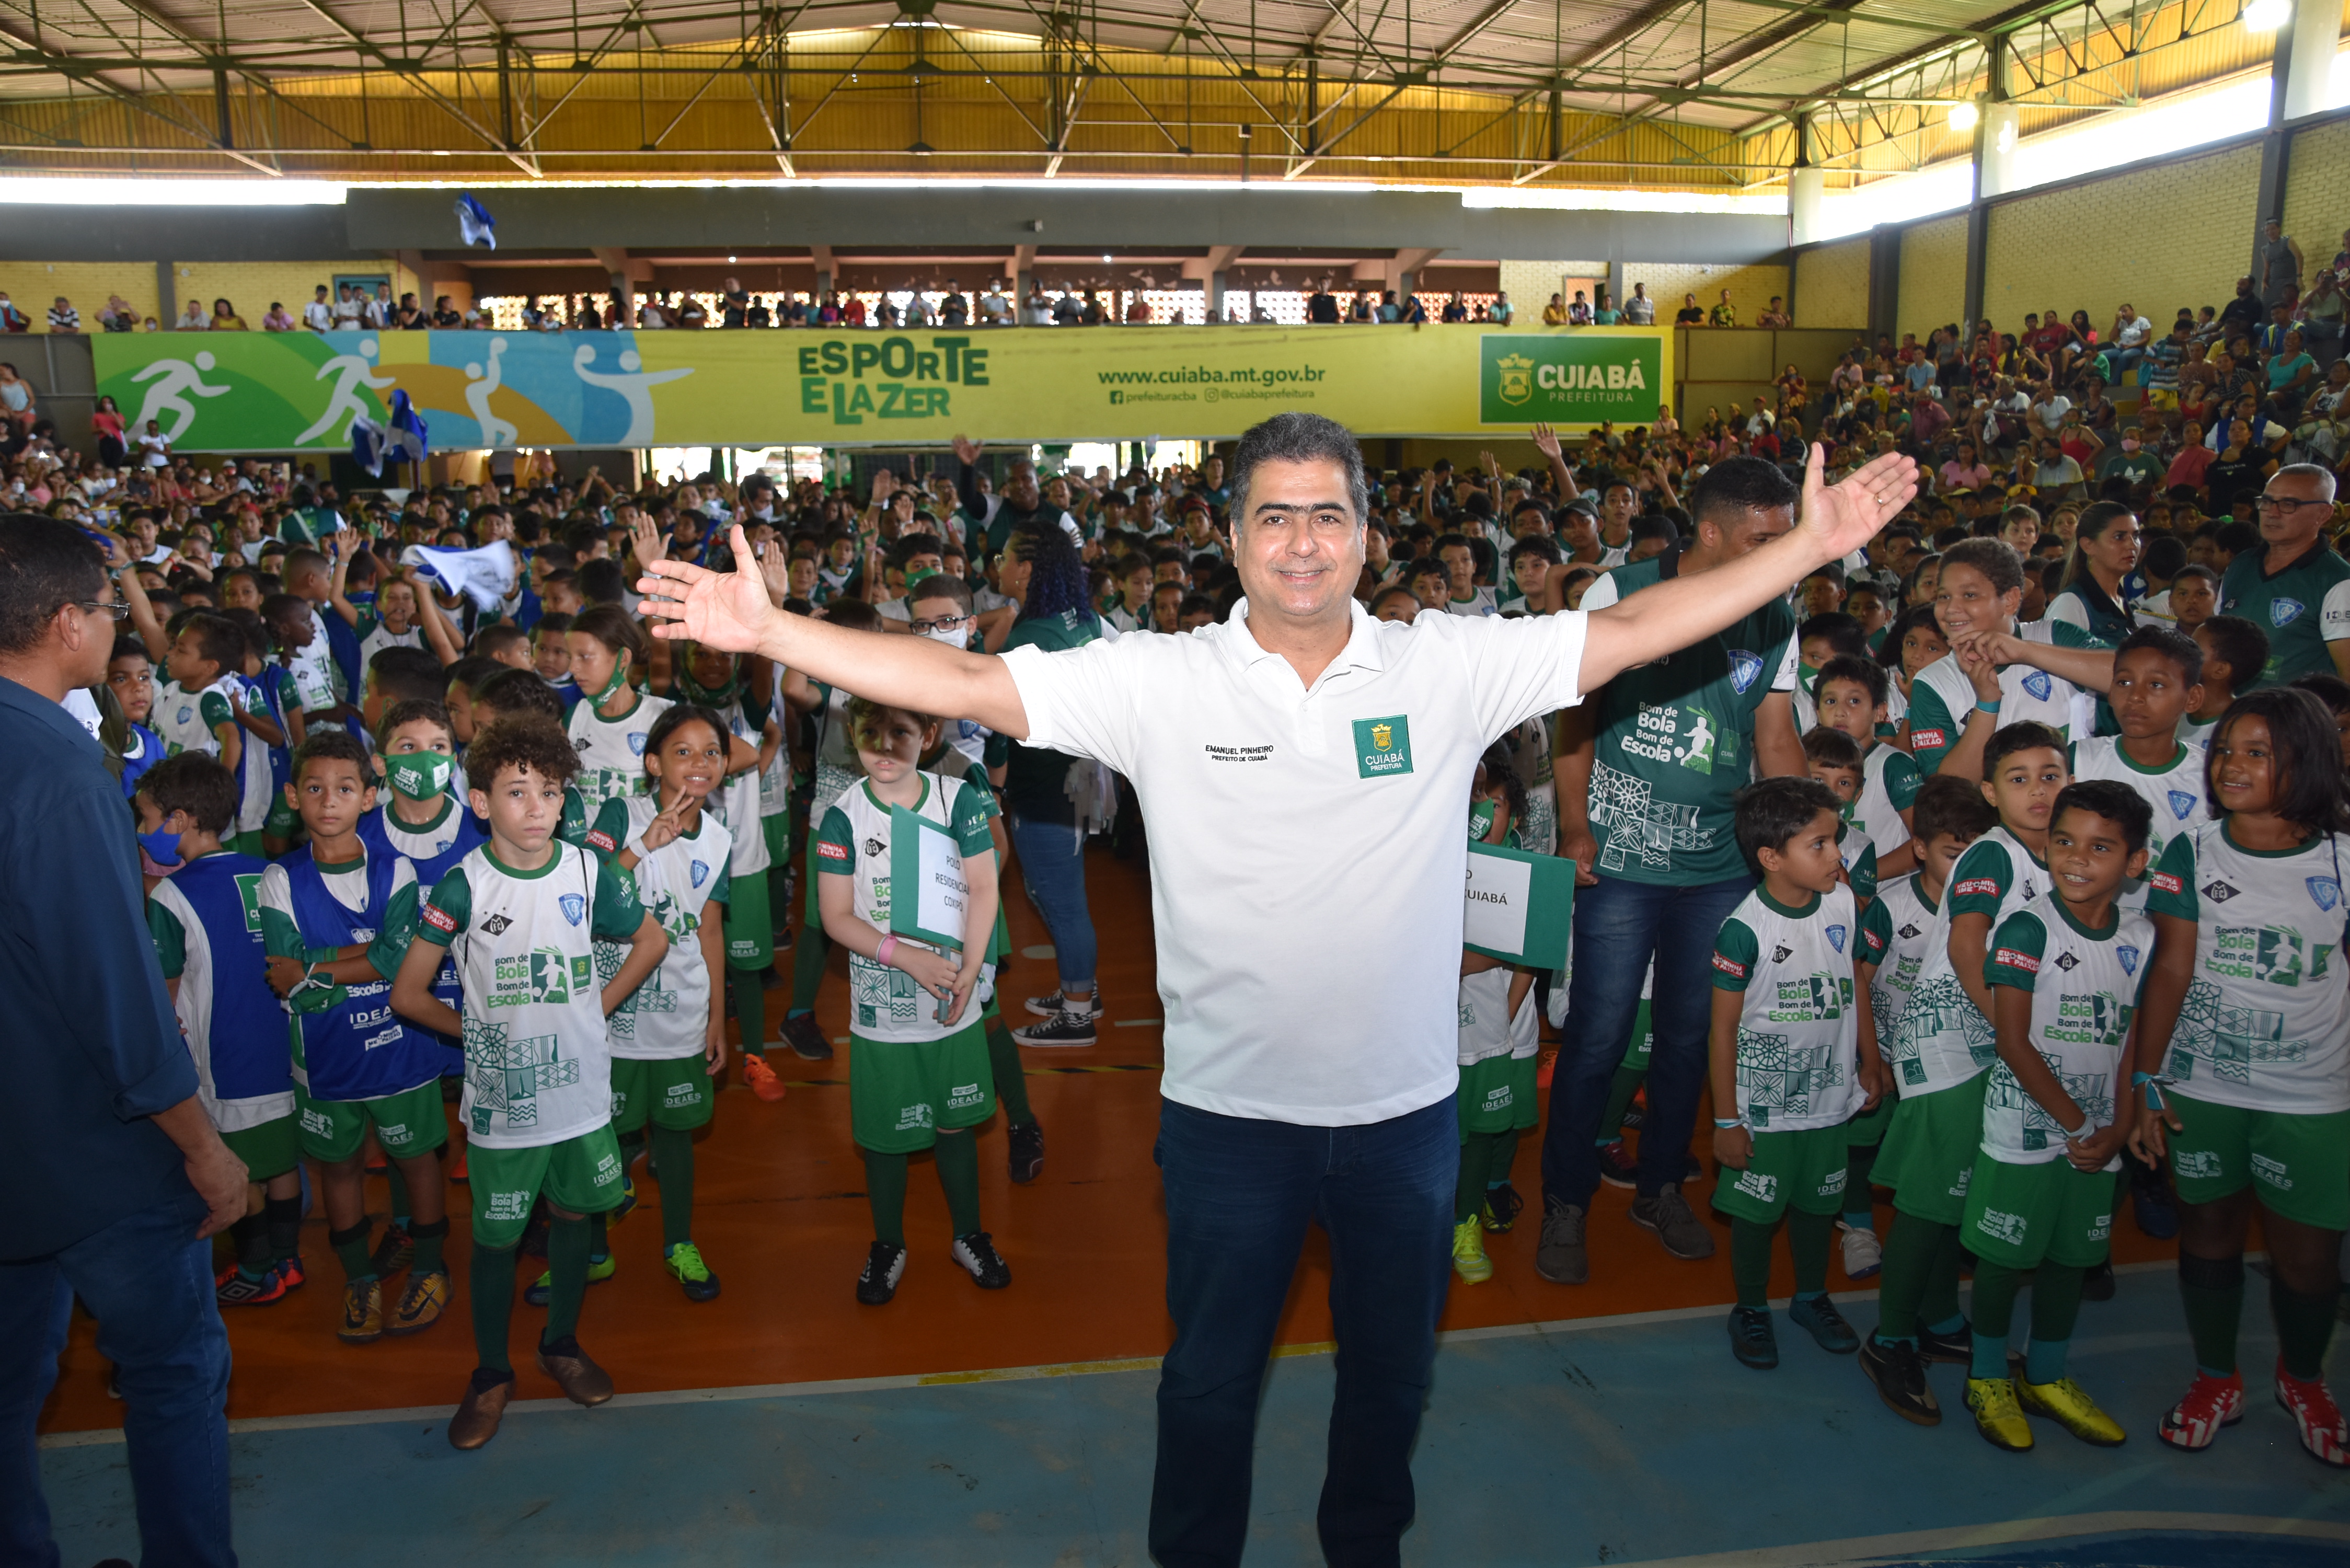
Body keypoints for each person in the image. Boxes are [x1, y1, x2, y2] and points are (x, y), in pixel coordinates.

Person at [633, 411, 1918, 1567]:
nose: (1302, 543)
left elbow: (1635, 631)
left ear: (1365, 534)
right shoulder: (1161, 680)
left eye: (1328, 515)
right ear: (1233, 535)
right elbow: (967, 682)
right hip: (1227, 1121)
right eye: (1274, 516)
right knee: (1206, 1384)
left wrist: (1807, 551)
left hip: (1403, 1120)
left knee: (1390, 1382)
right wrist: (771, 632)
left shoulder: (1441, 665)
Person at [0, 515, 245, 1568]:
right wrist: (203, 1147)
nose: (116, 627)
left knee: (11, 1390)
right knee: (173, 1371)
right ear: (67, 624)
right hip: (98, 1151)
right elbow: (114, 997)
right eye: (108, 608)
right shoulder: (64, 773)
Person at [1538, 458, 1809, 1287]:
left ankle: (1660, 1187)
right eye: (1765, 539)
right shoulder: (1618, 592)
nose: (1781, 553)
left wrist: (1808, 835)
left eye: (1788, 537)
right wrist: (1575, 827)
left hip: (1721, 867)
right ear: (1713, 532)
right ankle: (1566, 1200)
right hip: (1620, 862)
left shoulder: (1776, 615)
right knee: (1598, 1036)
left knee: (1689, 1037)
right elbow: (1575, 719)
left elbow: (1774, 739)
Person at [381, 718, 666, 1449]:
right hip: (506, 1102)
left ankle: (560, 1343)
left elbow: (651, 939)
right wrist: (474, 1034)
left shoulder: (590, 873)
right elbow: (408, 993)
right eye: (517, 791)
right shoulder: (464, 885)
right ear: (480, 803)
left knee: (574, 1217)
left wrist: (598, 1008)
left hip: (580, 1093)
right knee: (497, 1239)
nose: (538, 807)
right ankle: (490, 1374)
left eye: (551, 790)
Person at [2130, 688, 2350, 1465]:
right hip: (2204, 1087)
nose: (2230, 765)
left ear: (2306, 760)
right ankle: (2216, 1377)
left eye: (2257, 753)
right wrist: (2146, 1082)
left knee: (2308, 1258)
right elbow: (2170, 970)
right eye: (2225, 749)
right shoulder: (2191, 850)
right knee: (2209, 1233)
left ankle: (2303, 1378)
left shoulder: (2342, 858)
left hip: (2313, 1092)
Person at [1859, 721, 2068, 1426]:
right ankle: (1890, 1340)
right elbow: (1966, 947)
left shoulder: (2061, 857)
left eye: (2050, 776)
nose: (2037, 791)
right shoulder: (1991, 854)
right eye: (2019, 778)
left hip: (2002, 1043)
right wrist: (2018, 1037)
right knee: (1929, 1200)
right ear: (1991, 791)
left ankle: (1940, 1317)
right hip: (1949, 1043)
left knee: (1961, 1192)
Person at [1956, 781, 2153, 1452]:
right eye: (2063, 841)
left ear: (2134, 862)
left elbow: (2131, 1041)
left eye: (2099, 848)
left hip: (2097, 1135)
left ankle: (2044, 1375)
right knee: (2002, 1260)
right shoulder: (2025, 928)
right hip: (2026, 1131)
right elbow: (2013, 1042)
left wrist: (2118, 1126)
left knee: (2071, 1258)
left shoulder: (2140, 938)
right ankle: (1987, 1377)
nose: (2074, 858)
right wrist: (2080, 1126)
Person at [261, 729, 453, 1341]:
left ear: (368, 798)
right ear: (293, 796)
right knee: (339, 1169)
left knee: (417, 1161)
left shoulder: (396, 868)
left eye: (345, 789)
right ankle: (359, 1281)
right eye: (315, 788)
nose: (329, 801)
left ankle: (429, 1268)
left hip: (399, 1049)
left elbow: (399, 961)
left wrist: (315, 968)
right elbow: (283, 973)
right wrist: (365, 957)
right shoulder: (279, 878)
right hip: (325, 1059)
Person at [817, 697, 1007, 1304]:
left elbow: (983, 885)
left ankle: (967, 1235)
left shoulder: (958, 799)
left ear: (928, 735)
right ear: (852, 735)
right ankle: (888, 1243)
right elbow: (835, 917)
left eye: (900, 733)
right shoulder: (842, 817)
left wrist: (970, 969)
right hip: (883, 1009)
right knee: (884, 1136)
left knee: (955, 1122)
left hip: (953, 995)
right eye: (869, 733)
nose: (884, 747)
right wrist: (905, 958)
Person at [1709, 776, 1881, 1369]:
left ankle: (1811, 1297)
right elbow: (1721, 1031)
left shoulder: (1841, 903)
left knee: (1818, 1205)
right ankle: (1751, 1308)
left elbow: (1855, 982)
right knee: (1756, 1215)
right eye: (1820, 845)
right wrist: (1726, 1120)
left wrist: (1869, 1060)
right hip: (1764, 1109)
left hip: (1829, 1097)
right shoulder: (1744, 929)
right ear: (1771, 858)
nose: (1837, 856)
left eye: (1835, 841)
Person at [137, 753, 305, 1305]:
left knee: (241, 1167)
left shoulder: (170, 895)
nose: (142, 831)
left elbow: (165, 994)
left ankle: (257, 1271)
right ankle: (289, 1259)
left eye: (147, 818)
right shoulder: (268, 871)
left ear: (178, 821)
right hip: (284, 1048)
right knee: (282, 1159)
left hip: (225, 1058)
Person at [598, 703, 735, 1302]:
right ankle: (589, 1248)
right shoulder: (620, 814)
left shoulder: (721, 839)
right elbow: (585, 893)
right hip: (611, 1013)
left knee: (676, 1135)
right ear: (653, 764)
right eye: (683, 751)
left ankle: (679, 1243)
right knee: (604, 1135)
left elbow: (710, 930)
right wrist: (640, 846)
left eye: (712, 752)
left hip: (680, 1011)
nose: (699, 762)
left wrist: (716, 1018)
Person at [2215, 466, 2348, 685]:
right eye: (2267, 502)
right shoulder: (2241, 565)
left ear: (2324, 514)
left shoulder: (2337, 581)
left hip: (2297, 707)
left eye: (2289, 504)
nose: (2272, 513)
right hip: (2233, 704)